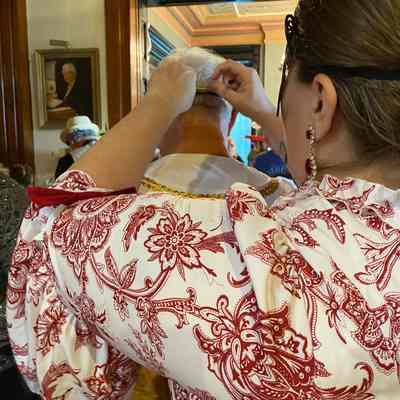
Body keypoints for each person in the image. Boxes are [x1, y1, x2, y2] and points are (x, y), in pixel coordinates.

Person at [8, 0, 400, 398]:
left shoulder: (245, 256)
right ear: (231, 119)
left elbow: (50, 240)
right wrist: (268, 113)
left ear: (320, 101)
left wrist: (157, 105)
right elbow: (333, 184)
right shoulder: (350, 224)